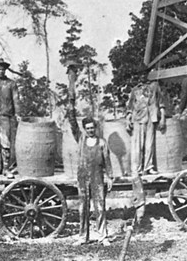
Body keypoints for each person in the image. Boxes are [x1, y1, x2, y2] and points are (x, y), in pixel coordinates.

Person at [66, 63, 114, 246]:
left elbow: (108, 162)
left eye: (93, 128)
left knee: (100, 208)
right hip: (82, 178)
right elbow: (71, 120)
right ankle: (82, 237)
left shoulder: (102, 142)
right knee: (82, 209)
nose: (91, 130)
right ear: (84, 130)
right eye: (88, 128)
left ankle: (103, 236)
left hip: (98, 178)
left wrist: (110, 177)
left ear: (96, 128)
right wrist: (71, 84)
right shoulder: (81, 140)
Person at [125, 72, 166, 176]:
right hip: (138, 119)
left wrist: (162, 119)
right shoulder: (135, 90)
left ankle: (149, 167)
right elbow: (130, 107)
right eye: (139, 75)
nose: (142, 77)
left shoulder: (154, 87)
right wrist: (128, 120)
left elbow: (161, 104)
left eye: (144, 74)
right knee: (137, 146)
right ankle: (137, 169)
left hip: (151, 118)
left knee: (149, 145)